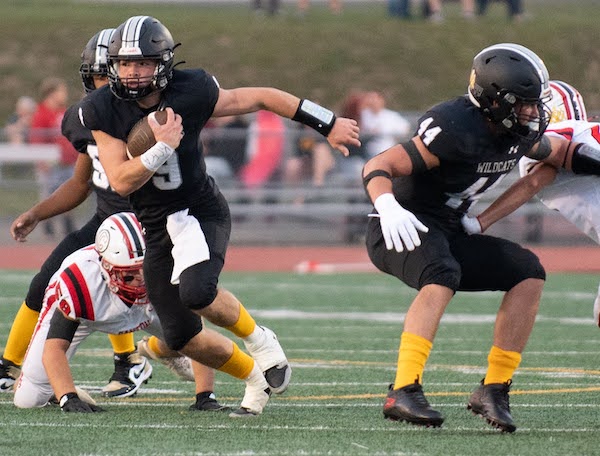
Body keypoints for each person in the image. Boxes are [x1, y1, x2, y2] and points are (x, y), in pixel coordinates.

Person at [78, 15, 359, 417]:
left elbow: (261, 97)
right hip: (155, 226)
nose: (133, 72)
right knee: (180, 335)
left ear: (163, 63)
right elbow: (121, 181)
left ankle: (260, 340)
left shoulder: (191, 89)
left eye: (142, 63)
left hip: (199, 210)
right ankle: (254, 378)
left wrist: (326, 122)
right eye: (125, 63)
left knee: (197, 292)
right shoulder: (100, 107)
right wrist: (161, 147)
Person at [362, 43, 600, 432]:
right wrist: (388, 206)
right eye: (524, 104)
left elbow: (560, 153)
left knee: (527, 271)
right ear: (494, 100)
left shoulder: (516, 131)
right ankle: (403, 390)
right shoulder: (455, 127)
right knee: (441, 273)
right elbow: (380, 164)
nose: (533, 112)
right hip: (401, 225)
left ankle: (494, 388)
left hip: (451, 226)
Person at [1, 29, 193, 404]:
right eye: (98, 77)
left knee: (147, 296)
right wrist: (37, 213)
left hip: (145, 226)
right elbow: (80, 182)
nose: (102, 85)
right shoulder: (92, 117)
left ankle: (137, 359)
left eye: (107, 76)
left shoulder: (148, 117)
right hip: (104, 222)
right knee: (45, 283)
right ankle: (9, 365)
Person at [13, 212, 225, 412]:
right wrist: (68, 396)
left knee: (192, 338)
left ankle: (156, 349)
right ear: (107, 268)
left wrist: (205, 395)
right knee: (28, 399)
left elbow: (198, 336)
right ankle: (55, 388)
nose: (141, 282)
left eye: (145, 270)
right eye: (130, 275)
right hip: (85, 315)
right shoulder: (81, 282)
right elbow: (54, 348)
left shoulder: (163, 270)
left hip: (148, 309)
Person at [460, 80, 600, 328]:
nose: (529, 113)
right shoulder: (584, 133)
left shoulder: (560, 136)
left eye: (534, 107)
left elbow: (533, 181)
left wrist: (480, 222)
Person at [29, 77, 79, 239]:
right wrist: (41, 160)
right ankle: (47, 225)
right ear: (52, 93)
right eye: (61, 91)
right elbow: (37, 138)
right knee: (49, 194)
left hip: (67, 161)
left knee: (69, 192)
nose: (65, 95)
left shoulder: (63, 111)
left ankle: (68, 224)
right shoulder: (42, 113)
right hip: (51, 163)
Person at [360, 90, 411, 159]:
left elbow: (405, 128)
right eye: (370, 99)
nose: (372, 101)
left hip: (387, 152)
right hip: (365, 154)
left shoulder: (391, 116)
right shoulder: (362, 115)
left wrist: (385, 132)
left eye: (375, 99)